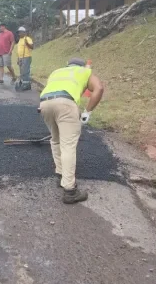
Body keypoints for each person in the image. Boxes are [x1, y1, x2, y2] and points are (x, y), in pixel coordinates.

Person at [39, 58, 104, 204]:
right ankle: (70, 191)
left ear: (67, 65)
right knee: (68, 145)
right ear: (80, 66)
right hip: (66, 104)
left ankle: (61, 174)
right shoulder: (84, 71)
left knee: (55, 140)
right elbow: (99, 88)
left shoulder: (57, 72)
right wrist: (87, 112)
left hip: (44, 103)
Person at [16, 26, 34, 91]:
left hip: (26, 57)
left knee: (25, 71)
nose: (19, 34)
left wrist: (27, 43)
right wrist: (18, 59)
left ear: (24, 32)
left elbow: (32, 47)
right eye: (18, 33)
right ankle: (26, 84)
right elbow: (18, 50)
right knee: (22, 72)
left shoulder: (27, 38)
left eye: (20, 32)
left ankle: (26, 84)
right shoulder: (20, 40)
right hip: (20, 58)